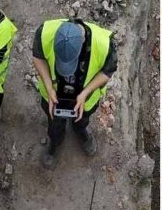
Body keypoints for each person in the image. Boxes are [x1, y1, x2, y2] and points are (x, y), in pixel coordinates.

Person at [31, 18, 117, 167]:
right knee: (54, 123)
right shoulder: (45, 33)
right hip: (54, 95)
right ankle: (55, 141)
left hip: (85, 98)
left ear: (83, 41)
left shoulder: (104, 44)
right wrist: (49, 86)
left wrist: (85, 93)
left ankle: (80, 130)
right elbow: (38, 57)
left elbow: (108, 71)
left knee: (81, 119)